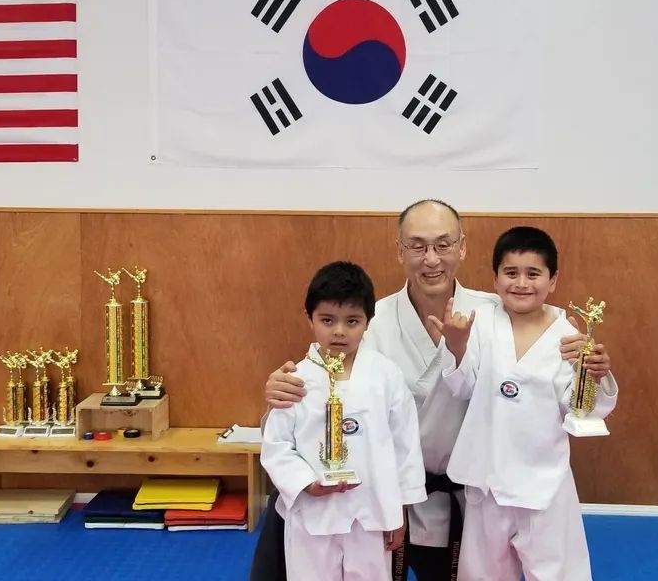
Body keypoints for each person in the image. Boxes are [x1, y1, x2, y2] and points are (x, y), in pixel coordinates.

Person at [252, 200, 614, 581]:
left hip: (468, 497)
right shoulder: (365, 321)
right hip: (378, 494)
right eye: (417, 246)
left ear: (462, 247)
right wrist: (280, 391)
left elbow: (545, 325)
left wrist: (585, 354)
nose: (431, 259)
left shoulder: (498, 313)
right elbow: (316, 404)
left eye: (443, 245)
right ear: (399, 250)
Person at [432, 226, 619, 581]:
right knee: (482, 574)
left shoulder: (569, 337)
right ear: (495, 278)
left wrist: (593, 374)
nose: (521, 283)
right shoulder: (480, 323)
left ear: (553, 280)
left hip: (544, 483)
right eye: (511, 273)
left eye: (533, 274)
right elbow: (462, 386)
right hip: (487, 479)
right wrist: (456, 347)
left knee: (558, 574)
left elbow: (578, 409)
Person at [260, 261, 427, 581]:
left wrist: (398, 512)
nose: (339, 331)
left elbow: (404, 446)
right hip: (313, 515)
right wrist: (306, 482)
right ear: (309, 318)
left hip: (371, 514)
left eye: (352, 321)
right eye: (327, 320)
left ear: (368, 322)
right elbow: (277, 447)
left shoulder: (386, 376)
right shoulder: (295, 379)